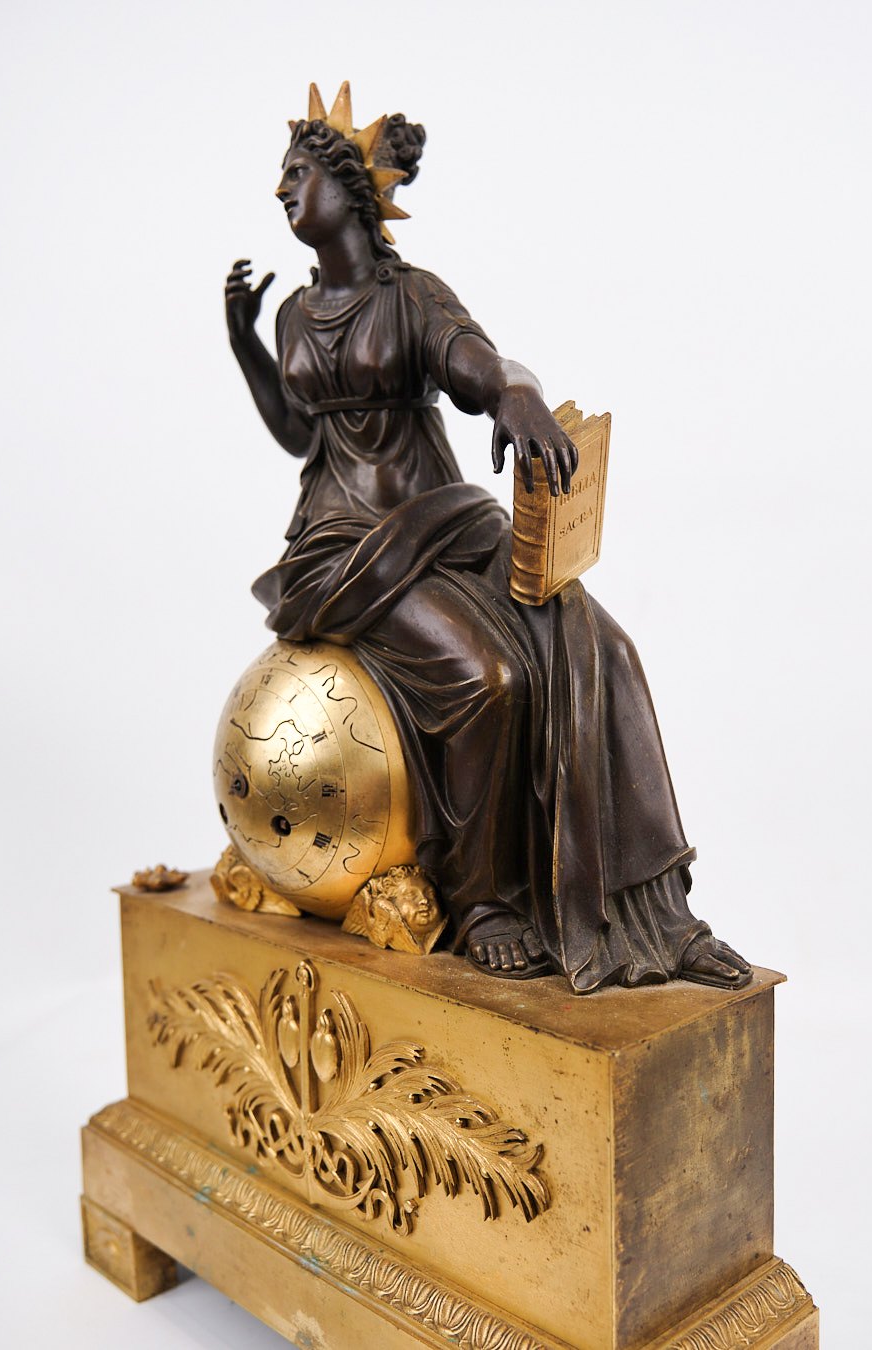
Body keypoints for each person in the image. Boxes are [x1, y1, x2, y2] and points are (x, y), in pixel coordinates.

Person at [224, 83, 751, 994]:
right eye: (282, 175)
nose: (281, 190)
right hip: (343, 550)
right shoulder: (292, 317)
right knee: (489, 680)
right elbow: (300, 433)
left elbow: (482, 363)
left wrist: (517, 395)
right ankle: (482, 903)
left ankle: (656, 910)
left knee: (603, 647)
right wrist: (246, 346)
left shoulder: (412, 296)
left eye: (297, 172)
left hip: (441, 521)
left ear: (349, 189)